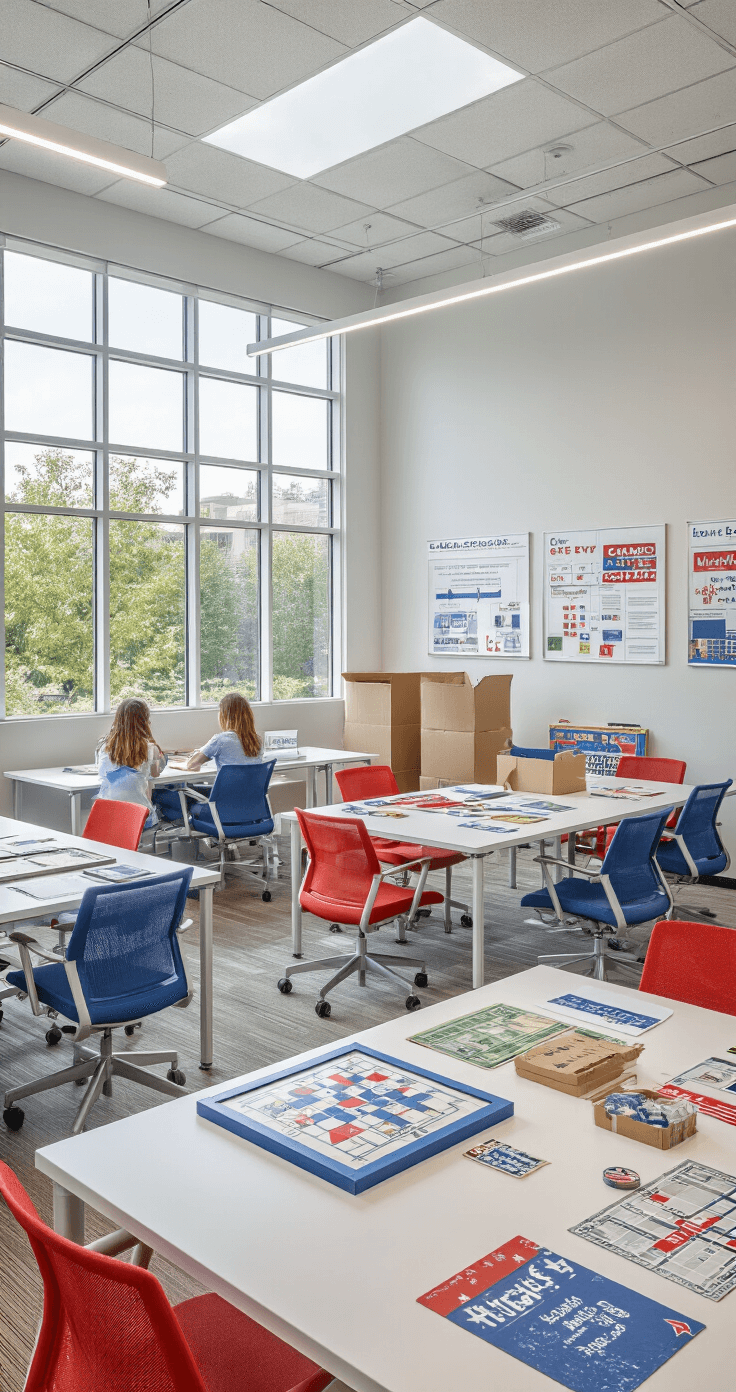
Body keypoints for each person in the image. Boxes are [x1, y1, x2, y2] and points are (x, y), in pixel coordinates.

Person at [96, 697, 167, 825]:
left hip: (108, 816)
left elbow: (101, 771)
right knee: (148, 788)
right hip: (138, 816)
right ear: (146, 720)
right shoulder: (150, 748)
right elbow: (156, 773)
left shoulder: (104, 747)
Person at [186, 691, 262, 771]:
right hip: (251, 784)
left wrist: (200, 751)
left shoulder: (220, 740)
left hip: (228, 784)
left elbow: (191, 765)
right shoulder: (257, 740)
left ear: (224, 716)